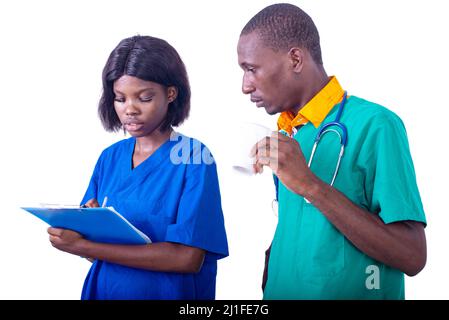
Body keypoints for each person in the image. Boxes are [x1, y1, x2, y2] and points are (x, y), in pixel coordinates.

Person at [237, 3, 426, 299]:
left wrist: (311, 185)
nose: (245, 86)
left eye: (251, 69)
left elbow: (412, 256)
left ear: (295, 59)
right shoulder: (288, 133)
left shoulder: (376, 125)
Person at [47, 35, 229, 300]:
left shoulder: (194, 157)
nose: (129, 109)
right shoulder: (109, 158)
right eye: (120, 98)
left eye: (144, 98)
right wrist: (76, 238)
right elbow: (92, 251)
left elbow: (187, 258)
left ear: (170, 94)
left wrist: (86, 245)